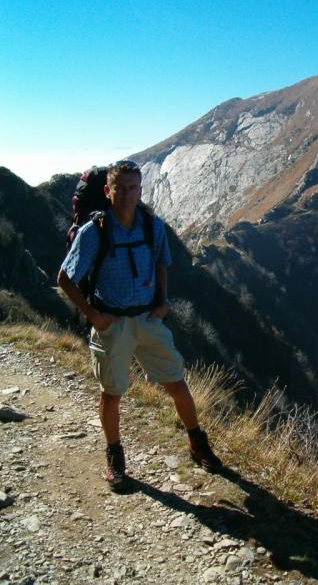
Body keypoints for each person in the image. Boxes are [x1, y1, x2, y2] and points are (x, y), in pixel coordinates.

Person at [58, 159, 222, 492]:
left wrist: (163, 303)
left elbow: (161, 263)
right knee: (112, 393)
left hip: (148, 318)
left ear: (141, 190)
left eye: (133, 188)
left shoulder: (152, 226)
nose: (127, 194)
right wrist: (94, 316)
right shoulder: (94, 231)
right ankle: (114, 458)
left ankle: (196, 442)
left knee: (177, 383)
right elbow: (65, 278)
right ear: (108, 191)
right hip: (112, 322)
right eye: (119, 188)